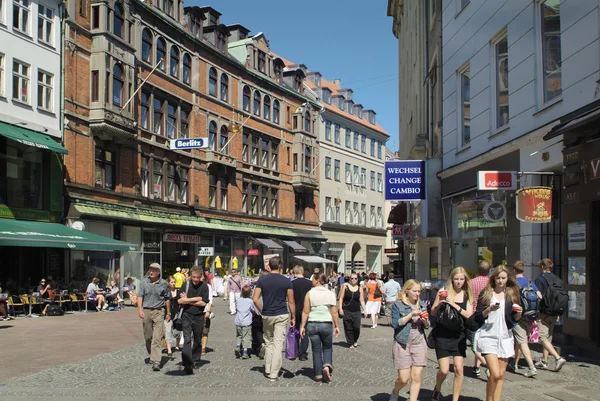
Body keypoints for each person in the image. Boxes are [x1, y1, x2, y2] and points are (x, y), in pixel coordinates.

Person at [473, 265, 522, 401]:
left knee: (501, 374)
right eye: (498, 278)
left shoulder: (511, 294)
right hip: (488, 335)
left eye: (503, 278)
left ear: (508, 278)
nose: (500, 281)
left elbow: (513, 320)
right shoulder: (487, 293)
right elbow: (478, 315)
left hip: (505, 336)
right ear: (493, 278)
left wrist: (518, 314)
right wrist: (489, 309)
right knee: (494, 373)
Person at [430, 267, 474, 401]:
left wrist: (454, 304)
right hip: (442, 334)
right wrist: (440, 304)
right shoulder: (443, 293)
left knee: (459, 369)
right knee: (443, 370)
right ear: (452, 280)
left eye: (461, 279)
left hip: (458, 335)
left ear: (465, 280)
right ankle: (437, 387)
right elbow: (433, 312)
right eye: (456, 279)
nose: (459, 282)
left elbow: (469, 315)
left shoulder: (467, 295)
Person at [252, 256, 296, 382]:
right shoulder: (286, 281)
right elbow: (291, 301)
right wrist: (293, 317)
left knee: (268, 342)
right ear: (280, 266)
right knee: (278, 344)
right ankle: (274, 373)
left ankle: (267, 368)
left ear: (269, 266)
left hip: (267, 315)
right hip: (281, 314)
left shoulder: (262, 280)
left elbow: (255, 299)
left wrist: (261, 311)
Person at [389, 279, 429, 401]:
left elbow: (427, 325)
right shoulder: (398, 305)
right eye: (415, 291)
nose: (417, 294)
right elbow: (395, 324)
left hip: (419, 340)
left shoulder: (422, 304)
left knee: (416, 377)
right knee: (404, 379)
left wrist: (425, 320)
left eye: (419, 291)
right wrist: (411, 315)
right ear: (407, 291)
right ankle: (395, 391)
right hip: (402, 342)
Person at [299, 273, 340, 382]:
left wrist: (302, 326)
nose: (311, 280)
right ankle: (326, 366)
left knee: (316, 349)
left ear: (317, 280)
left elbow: (306, 311)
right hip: (326, 322)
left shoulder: (309, 293)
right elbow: (334, 312)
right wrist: (337, 326)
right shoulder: (330, 293)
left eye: (313, 278)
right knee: (327, 347)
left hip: (313, 323)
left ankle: (318, 374)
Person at [533, 258, 567, 372]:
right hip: (555, 312)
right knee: (549, 336)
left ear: (542, 267)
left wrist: (538, 312)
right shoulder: (558, 279)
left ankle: (558, 358)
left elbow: (538, 297)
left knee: (542, 337)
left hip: (544, 312)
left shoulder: (540, 279)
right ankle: (544, 360)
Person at [137, 263, 171, 372]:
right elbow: (140, 296)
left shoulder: (164, 284)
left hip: (159, 311)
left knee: (157, 337)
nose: (152, 272)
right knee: (148, 337)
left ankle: (156, 361)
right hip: (146, 310)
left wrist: (168, 312)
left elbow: (167, 298)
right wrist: (140, 310)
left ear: (159, 272)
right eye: (151, 270)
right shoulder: (144, 282)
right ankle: (152, 354)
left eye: (154, 270)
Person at [510, 261, 541, 377]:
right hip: (530, 315)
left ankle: (531, 367)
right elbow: (540, 296)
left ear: (513, 270)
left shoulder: (513, 283)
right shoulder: (529, 282)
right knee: (521, 340)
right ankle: (515, 363)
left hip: (518, 316)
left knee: (522, 342)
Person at [177, 266, 210, 375]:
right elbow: (180, 301)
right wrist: (196, 299)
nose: (195, 279)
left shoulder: (204, 287)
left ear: (201, 277)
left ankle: (196, 359)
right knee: (187, 339)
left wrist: (188, 300)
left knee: (197, 339)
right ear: (191, 276)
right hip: (186, 315)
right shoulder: (186, 284)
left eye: (197, 277)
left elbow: (203, 303)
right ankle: (187, 363)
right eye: (194, 277)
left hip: (198, 316)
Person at [470, 260, 490, 377]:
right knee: (481, 341)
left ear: (478, 270)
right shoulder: (490, 283)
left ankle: (485, 365)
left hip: (473, 314)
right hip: (486, 314)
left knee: (475, 342)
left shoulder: (472, 282)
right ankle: (476, 366)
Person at [338, 272, 366, 349]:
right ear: (350, 279)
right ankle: (350, 342)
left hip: (356, 311)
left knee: (356, 327)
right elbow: (341, 298)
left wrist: (365, 310)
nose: (353, 280)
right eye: (352, 278)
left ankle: (355, 340)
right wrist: (340, 308)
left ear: (358, 279)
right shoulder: (345, 287)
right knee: (348, 327)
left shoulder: (360, 288)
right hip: (347, 310)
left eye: (355, 278)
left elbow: (362, 300)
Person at [291, 265, 313, 361]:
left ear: (295, 272)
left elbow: (290, 299)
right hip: (307, 310)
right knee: (305, 331)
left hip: (295, 309)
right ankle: (303, 353)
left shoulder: (292, 283)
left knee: (295, 330)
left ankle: (295, 351)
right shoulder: (309, 283)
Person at [235, 285, 254, 359]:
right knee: (246, 336)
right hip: (246, 322)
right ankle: (245, 352)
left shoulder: (238, 300)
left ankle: (238, 346)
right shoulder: (250, 301)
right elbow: (252, 309)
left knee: (239, 335)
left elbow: (237, 308)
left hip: (238, 321)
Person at [164, 276, 180, 357]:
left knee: (177, 331)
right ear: (168, 283)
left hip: (177, 314)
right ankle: (169, 349)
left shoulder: (179, 291)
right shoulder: (166, 292)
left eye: (174, 282)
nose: (173, 283)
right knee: (168, 331)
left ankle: (177, 344)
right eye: (172, 282)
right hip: (167, 314)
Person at [200, 273, 214, 357]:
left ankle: (203, 347)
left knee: (205, 331)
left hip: (205, 311)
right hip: (196, 312)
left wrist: (208, 311)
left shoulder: (208, 286)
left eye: (201, 277)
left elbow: (210, 300)